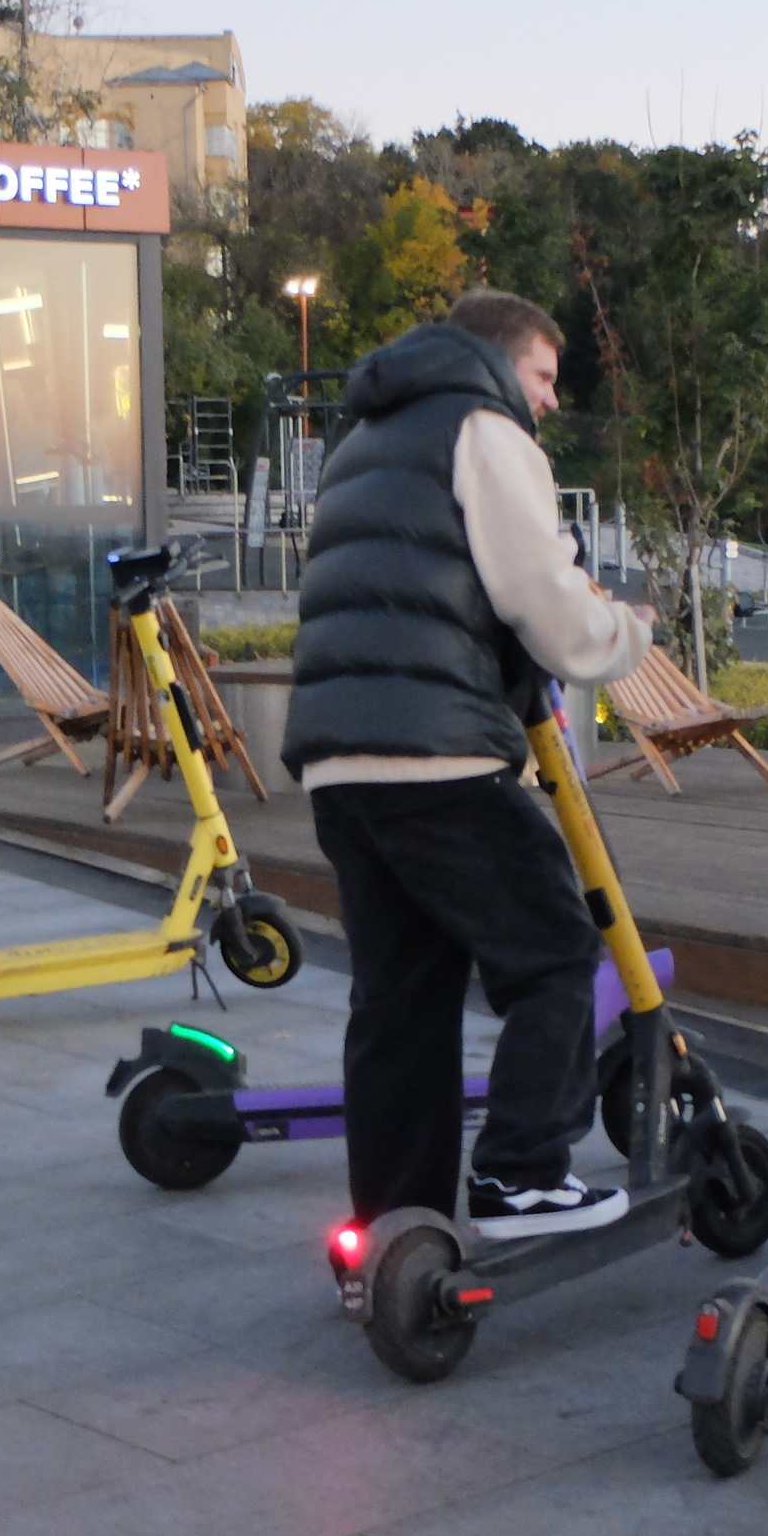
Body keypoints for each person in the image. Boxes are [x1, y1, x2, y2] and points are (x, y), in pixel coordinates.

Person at [282, 290, 653, 1239]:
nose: (551, 402)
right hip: (438, 756)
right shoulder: (482, 426)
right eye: (544, 376)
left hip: (340, 761)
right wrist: (628, 633)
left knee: (401, 1003)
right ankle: (522, 1175)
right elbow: (547, 603)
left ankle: (395, 1228)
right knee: (557, 955)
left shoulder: (364, 440)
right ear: (495, 360)